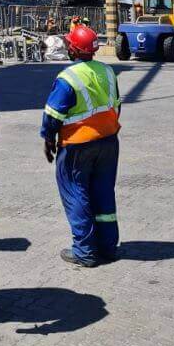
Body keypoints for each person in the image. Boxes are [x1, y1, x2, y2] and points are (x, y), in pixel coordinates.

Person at [41, 23, 121, 267]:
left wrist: (48, 138)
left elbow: (53, 114)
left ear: (73, 49)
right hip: (108, 141)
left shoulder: (68, 77)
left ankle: (84, 251)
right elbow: (116, 105)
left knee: (77, 193)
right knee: (104, 193)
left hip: (77, 145)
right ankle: (107, 247)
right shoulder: (107, 71)